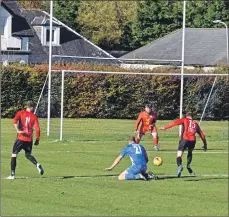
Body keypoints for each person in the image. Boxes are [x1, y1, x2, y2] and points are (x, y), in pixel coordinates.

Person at [160, 112, 207, 177]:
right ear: (192, 117)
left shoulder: (184, 119)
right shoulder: (195, 124)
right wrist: (205, 144)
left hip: (185, 139)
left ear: (186, 116)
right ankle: (188, 165)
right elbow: (202, 135)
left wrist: (165, 127)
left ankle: (179, 166)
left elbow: (174, 123)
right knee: (190, 152)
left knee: (179, 154)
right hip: (193, 141)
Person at [7, 101, 44, 179]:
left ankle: (12, 175)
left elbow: (14, 121)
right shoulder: (34, 116)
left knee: (14, 154)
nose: (33, 108)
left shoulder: (20, 113)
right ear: (31, 107)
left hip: (21, 138)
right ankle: (37, 164)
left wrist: (18, 130)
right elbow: (37, 129)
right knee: (28, 155)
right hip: (29, 139)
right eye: (33, 107)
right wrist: (37, 139)